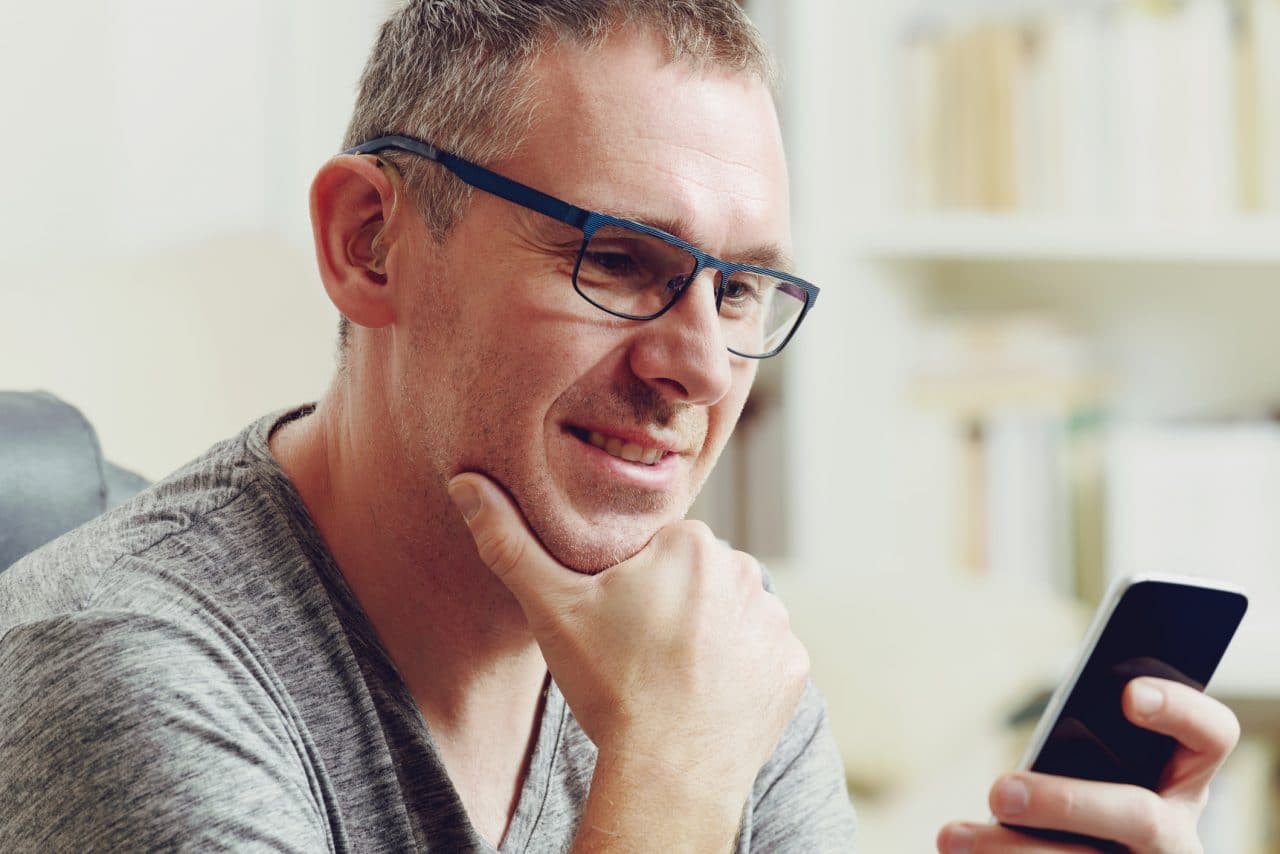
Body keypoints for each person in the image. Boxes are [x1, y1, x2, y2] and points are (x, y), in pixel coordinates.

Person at [0, 2, 1239, 851]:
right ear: (368, 244)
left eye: (740, 285)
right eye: (619, 258)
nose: (699, 364)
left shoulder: (709, 646)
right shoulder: (120, 675)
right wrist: (669, 769)